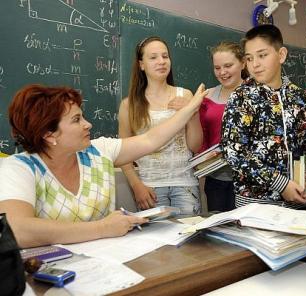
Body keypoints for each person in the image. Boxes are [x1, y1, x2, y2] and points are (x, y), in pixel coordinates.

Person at [0, 83, 207, 248]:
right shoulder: (18, 168)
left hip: (109, 264)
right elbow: (17, 230)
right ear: (48, 134)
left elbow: (151, 140)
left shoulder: (99, 150)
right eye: (76, 120)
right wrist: (102, 228)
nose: (88, 124)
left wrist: (190, 108)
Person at [221, 24, 306, 210]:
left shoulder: (300, 97)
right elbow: (233, 151)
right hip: (254, 205)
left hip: (297, 203)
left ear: (281, 55)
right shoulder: (241, 97)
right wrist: (280, 184)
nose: (255, 64)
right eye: (249, 58)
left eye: (262, 55)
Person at [119, 36, 202, 215]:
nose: (161, 62)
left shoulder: (185, 94)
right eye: (153, 57)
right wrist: (136, 186)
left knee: (190, 239)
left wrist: (192, 112)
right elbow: (123, 153)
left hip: (185, 183)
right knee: (158, 241)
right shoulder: (129, 105)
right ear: (141, 64)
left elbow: (195, 146)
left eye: (165, 56)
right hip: (150, 187)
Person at [199, 41, 247, 212]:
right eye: (217, 68)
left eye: (228, 65)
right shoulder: (208, 96)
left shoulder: (256, 96)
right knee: (217, 229)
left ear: (243, 63)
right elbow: (202, 135)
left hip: (248, 179)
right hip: (216, 178)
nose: (223, 72)